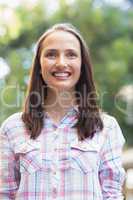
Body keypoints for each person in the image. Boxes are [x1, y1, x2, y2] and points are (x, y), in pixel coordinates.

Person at [0, 23, 126, 200]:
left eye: (71, 54)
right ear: (39, 64)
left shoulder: (106, 128)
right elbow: (5, 194)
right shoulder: (12, 127)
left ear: (82, 65)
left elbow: (112, 195)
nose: (61, 62)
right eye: (51, 54)